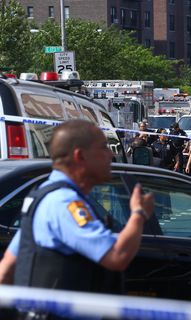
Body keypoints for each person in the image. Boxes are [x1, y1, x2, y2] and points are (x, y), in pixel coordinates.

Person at [0, 119, 154, 294]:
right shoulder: (64, 203)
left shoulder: (46, 195)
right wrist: (138, 213)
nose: (111, 155)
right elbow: (117, 256)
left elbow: (6, 269)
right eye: (103, 147)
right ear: (79, 156)